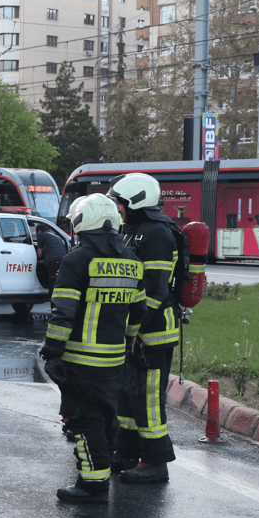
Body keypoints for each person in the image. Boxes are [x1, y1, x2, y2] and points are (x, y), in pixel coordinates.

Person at [40, 195, 145, 504]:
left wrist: (53, 351)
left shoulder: (76, 261)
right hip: (114, 359)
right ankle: (98, 477)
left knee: (85, 421)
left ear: (82, 223)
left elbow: (64, 312)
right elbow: (138, 313)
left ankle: (92, 484)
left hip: (80, 360)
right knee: (106, 416)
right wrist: (126, 343)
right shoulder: (132, 261)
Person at [108, 173, 182, 484]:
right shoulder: (136, 230)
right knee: (129, 397)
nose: (119, 209)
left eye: (121, 203)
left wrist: (136, 331)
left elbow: (155, 291)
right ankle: (127, 453)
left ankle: (155, 462)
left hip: (153, 333)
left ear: (136, 201)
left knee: (149, 399)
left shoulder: (157, 234)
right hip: (137, 332)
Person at [34, 223, 69, 291]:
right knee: (58, 279)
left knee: (52, 280)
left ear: (39, 231)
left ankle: (52, 298)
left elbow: (39, 254)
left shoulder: (40, 235)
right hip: (62, 260)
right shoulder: (56, 236)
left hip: (53, 261)